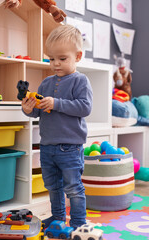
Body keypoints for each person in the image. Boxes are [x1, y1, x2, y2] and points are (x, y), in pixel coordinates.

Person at [21, 25, 93, 229]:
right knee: (52, 186)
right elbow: (39, 111)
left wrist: (57, 103)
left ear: (77, 56)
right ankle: (58, 217)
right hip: (47, 146)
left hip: (70, 147)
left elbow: (85, 107)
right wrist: (28, 109)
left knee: (73, 188)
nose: (55, 64)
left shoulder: (80, 81)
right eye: (51, 59)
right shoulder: (45, 83)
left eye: (62, 59)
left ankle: (79, 222)